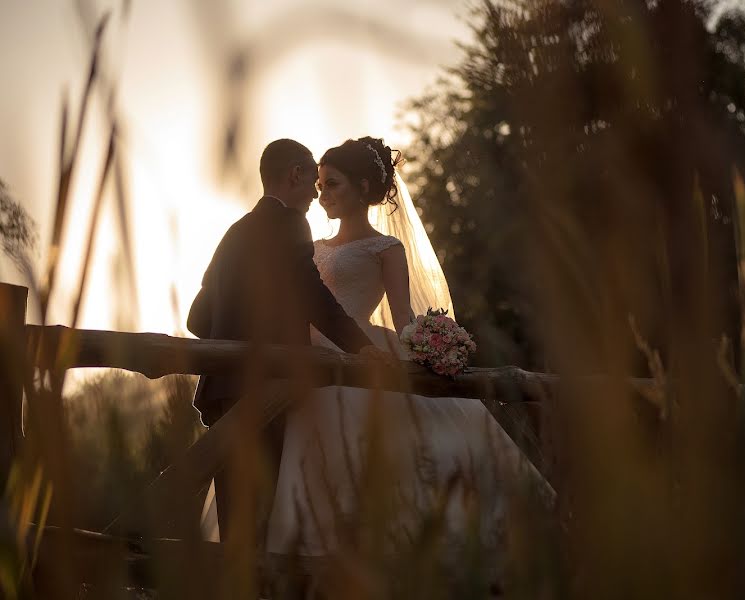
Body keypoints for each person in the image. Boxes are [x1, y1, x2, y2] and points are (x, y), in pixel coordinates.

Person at [259, 137, 553, 562]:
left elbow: (402, 318)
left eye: (333, 184)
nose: (322, 195)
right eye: (320, 185)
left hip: (361, 358)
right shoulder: (314, 248)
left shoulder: (386, 249)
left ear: (363, 188)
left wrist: (432, 342)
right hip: (307, 361)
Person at [187, 138, 383, 543]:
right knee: (263, 514)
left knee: (235, 523)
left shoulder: (234, 231)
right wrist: (362, 347)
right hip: (266, 388)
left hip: (223, 391)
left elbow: (197, 317)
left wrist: (234, 340)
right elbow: (310, 293)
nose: (315, 193)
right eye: (313, 179)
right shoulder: (291, 224)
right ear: (295, 173)